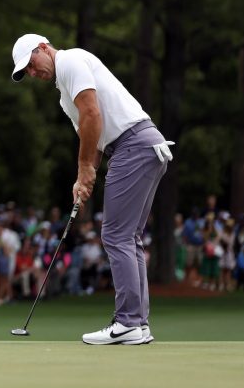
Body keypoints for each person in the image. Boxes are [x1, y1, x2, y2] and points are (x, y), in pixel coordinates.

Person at [11, 33, 172, 345]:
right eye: (27, 72)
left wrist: (86, 168)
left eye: (31, 64)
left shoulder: (70, 60)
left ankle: (126, 322)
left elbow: (92, 113)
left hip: (133, 145)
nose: (33, 73)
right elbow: (92, 136)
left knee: (116, 236)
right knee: (129, 238)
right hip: (143, 145)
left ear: (44, 48)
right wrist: (83, 177)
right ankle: (137, 324)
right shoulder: (63, 93)